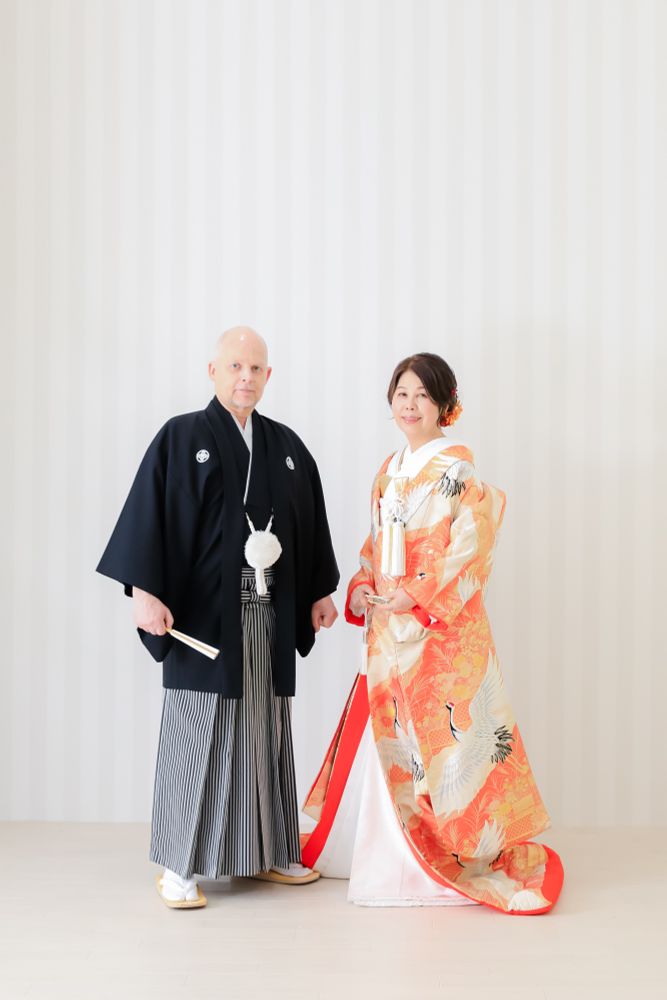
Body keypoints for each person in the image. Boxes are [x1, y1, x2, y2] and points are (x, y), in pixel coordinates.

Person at [302, 352, 564, 914]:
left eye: (422, 395)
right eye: (401, 394)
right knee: (388, 734)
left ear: (445, 404)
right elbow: (375, 546)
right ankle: (382, 852)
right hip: (387, 627)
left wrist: (415, 597)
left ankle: (437, 857)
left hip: (437, 633)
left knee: (444, 744)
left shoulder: (460, 473)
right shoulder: (387, 470)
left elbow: (471, 548)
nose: (410, 405)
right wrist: (364, 586)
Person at [97, 327, 339, 908]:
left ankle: (269, 852)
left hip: (268, 614)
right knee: (199, 733)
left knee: (265, 733)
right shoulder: (182, 437)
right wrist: (142, 591)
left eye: (256, 368)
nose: (245, 377)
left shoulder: (285, 446)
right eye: (235, 366)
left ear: (269, 376)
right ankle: (180, 867)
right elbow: (149, 516)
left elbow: (308, 524)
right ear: (212, 370)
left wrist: (317, 593)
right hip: (203, 620)